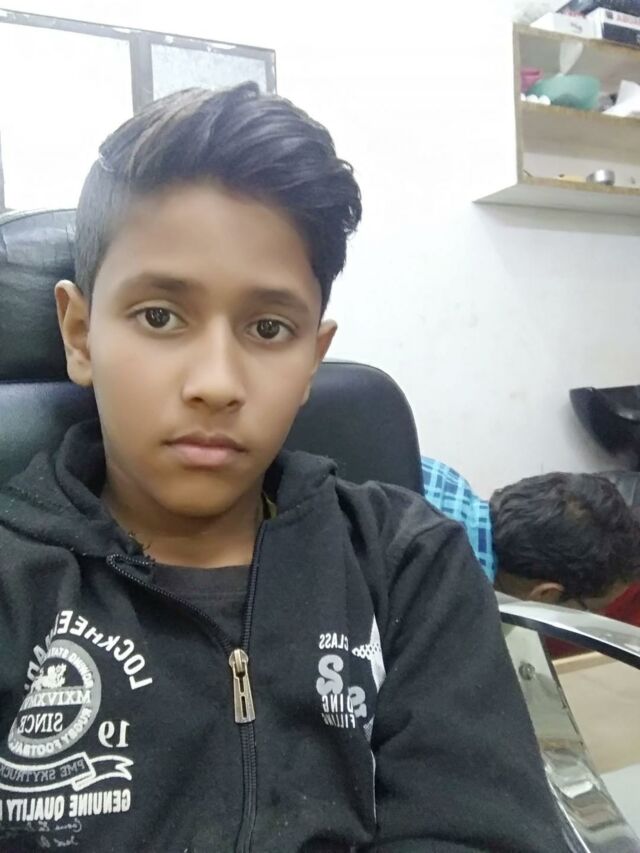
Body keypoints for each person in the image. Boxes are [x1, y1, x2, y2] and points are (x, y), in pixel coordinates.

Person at [0, 84, 566, 852]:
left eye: (269, 328)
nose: (217, 382)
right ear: (80, 333)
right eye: (160, 316)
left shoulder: (405, 565)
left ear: (311, 359)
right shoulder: (16, 584)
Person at [421, 456, 640, 611]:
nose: (601, 614)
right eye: (590, 609)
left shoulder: (440, 474)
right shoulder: (458, 610)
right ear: (545, 594)